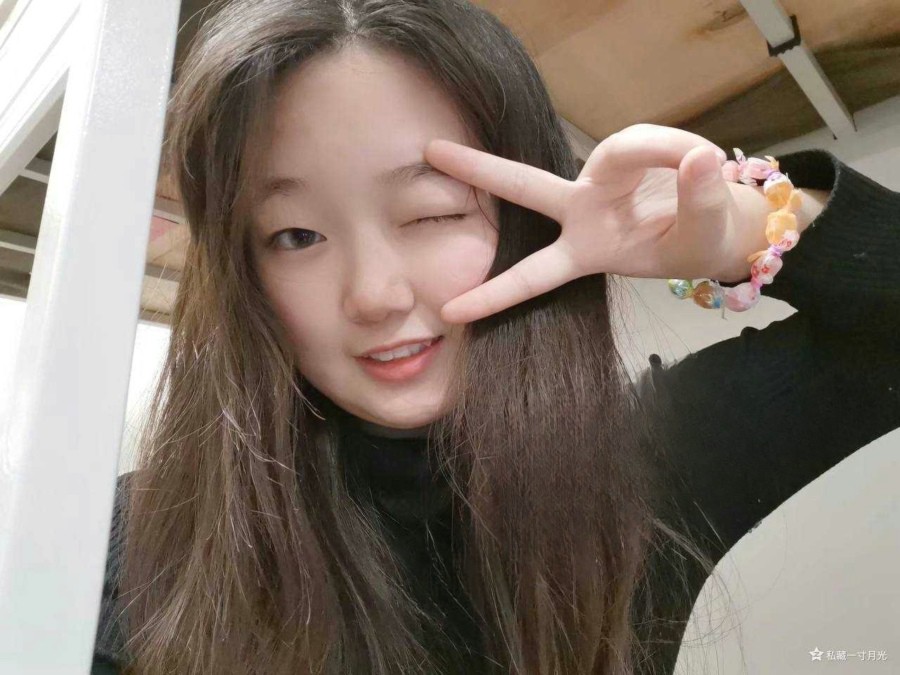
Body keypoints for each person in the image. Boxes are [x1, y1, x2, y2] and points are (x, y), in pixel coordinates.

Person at [90, 0, 900, 673]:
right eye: (295, 235)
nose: (374, 295)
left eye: (432, 213)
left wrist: (745, 228)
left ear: (525, 219)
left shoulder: (652, 461)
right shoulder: (137, 542)